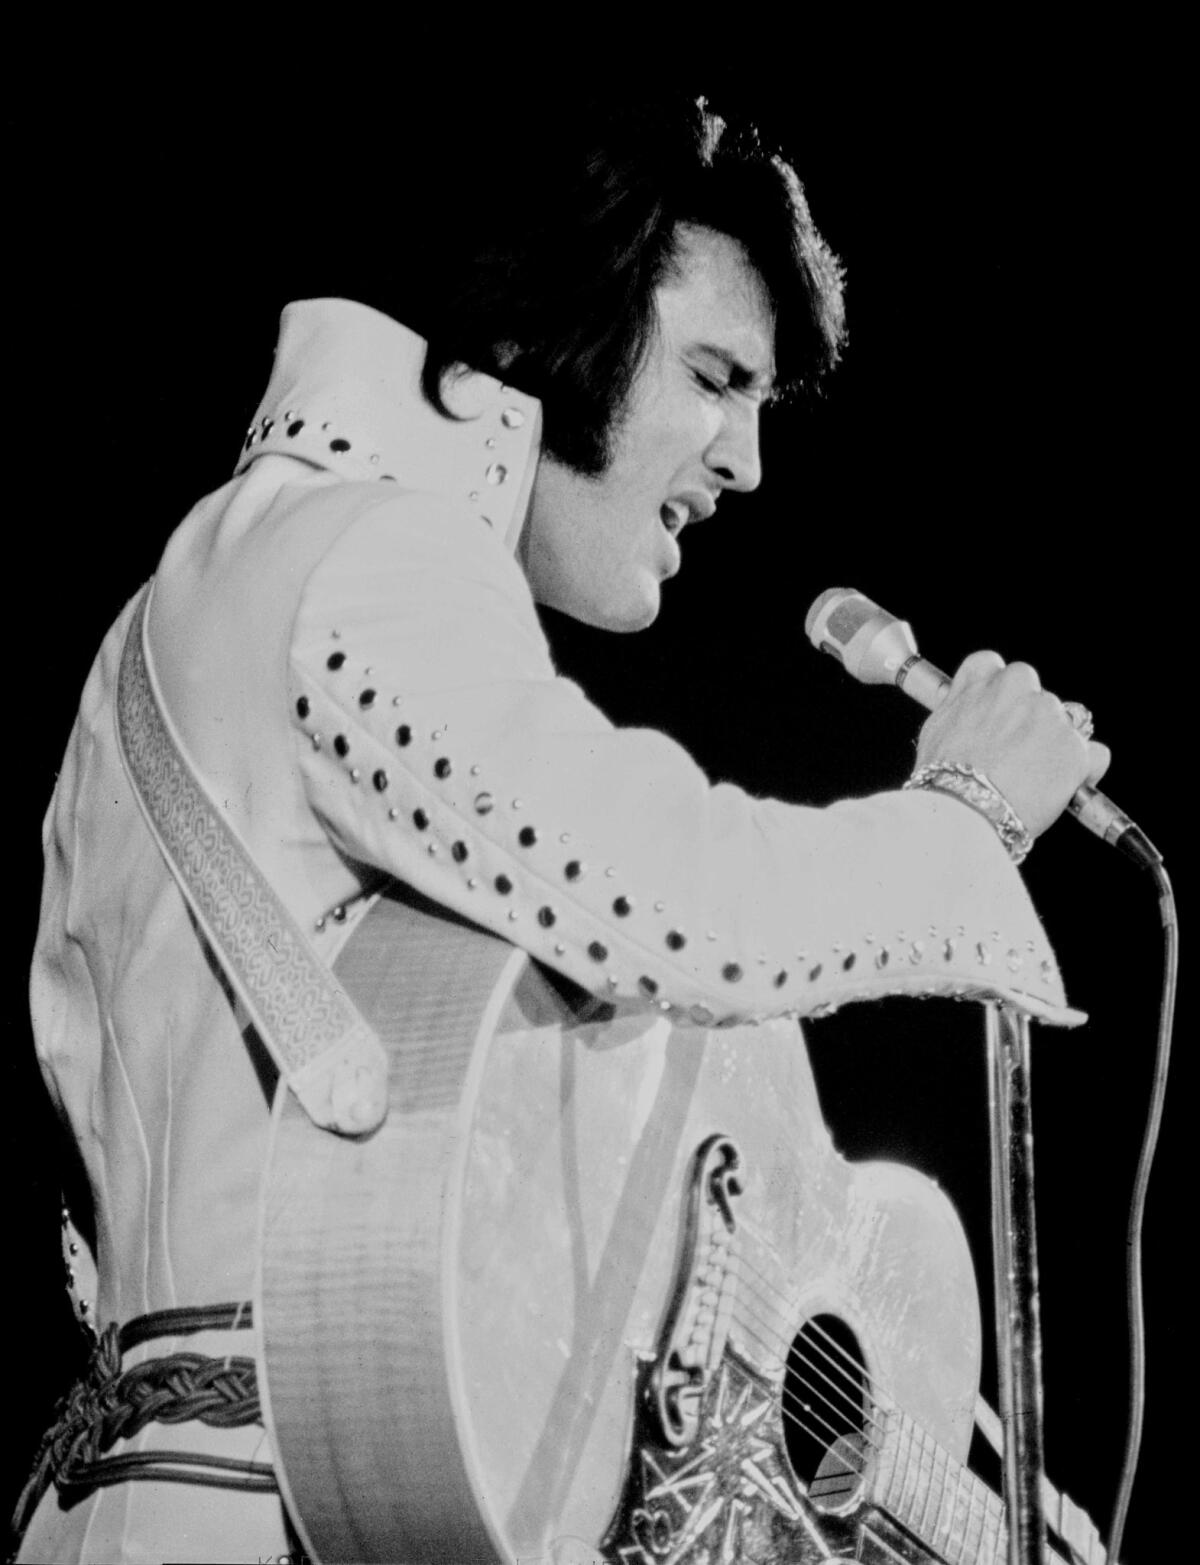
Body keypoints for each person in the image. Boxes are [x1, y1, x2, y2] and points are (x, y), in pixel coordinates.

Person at [14, 98, 1109, 1564]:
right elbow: (674, 903)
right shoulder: (365, 548)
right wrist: (960, 819)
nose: (746, 462)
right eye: (716, 378)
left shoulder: (236, 566)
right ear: (554, 331)